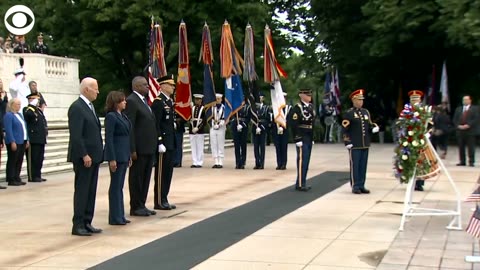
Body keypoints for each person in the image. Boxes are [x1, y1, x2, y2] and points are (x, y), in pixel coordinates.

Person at [67, 77, 103, 236]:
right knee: (82, 190)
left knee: (91, 190)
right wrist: (84, 154)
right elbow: (76, 135)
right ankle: (78, 223)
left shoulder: (89, 106)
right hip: (84, 157)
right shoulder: (77, 107)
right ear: (86, 89)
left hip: (94, 156)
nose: (98, 91)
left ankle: (87, 221)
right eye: (95, 88)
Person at [124, 76, 157, 217]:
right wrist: (132, 149)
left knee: (145, 177)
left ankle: (142, 204)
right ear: (137, 86)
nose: (147, 87)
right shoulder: (131, 101)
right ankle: (136, 206)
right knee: (137, 178)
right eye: (144, 85)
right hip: (139, 148)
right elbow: (130, 127)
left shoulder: (143, 101)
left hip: (148, 147)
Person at [342, 89, 379, 194]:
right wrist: (347, 142)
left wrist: (373, 129)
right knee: (355, 166)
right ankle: (355, 185)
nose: (361, 102)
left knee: (363, 165)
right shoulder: (349, 113)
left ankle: (362, 184)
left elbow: (368, 126)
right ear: (354, 100)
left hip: (364, 144)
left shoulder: (365, 112)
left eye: (362, 100)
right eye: (358, 100)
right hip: (355, 144)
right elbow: (345, 129)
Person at [104, 91, 131, 225]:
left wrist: (129, 155)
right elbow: (109, 138)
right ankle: (115, 216)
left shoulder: (123, 116)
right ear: (116, 102)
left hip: (124, 154)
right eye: (122, 100)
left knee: (119, 186)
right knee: (115, 186)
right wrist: (111, 158)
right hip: (117, 155)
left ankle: (120, 214)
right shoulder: (111, 117)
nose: (125, 102)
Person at [151, 75, 177, 210]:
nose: (173, 87)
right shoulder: (158, 102)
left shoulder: (169, 102)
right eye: (170, 85)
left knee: (168, 173)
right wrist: (159, 141)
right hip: (163, 144)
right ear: (163, 86)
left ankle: (164, 198)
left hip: (170, 142)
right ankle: (159, 201)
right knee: (161, 174)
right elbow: (156, 124)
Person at [289, 89, 315, 191]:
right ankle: (300, 183)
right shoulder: (297, 108)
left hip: (308, 137)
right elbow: (294, 124)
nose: (309, 96)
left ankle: (302, 181)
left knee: (306, 160)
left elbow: (312, 124)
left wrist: (312, 138)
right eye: (307, 95)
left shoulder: (311, 107)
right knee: (302, 161)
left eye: (310, 94)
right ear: (301, 95)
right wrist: (297, 138)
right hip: (302, 136)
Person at [23, 93, 47, 182]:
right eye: (35, 99)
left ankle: (38, 175)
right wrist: (31, 105)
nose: (37, 101)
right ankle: (32, 176)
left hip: (40, 138)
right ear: (30, 99)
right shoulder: (27, 109)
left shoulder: (38, 110)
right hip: (33, 139)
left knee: (39, 159)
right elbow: (29, 115)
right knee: (33, 158)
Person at [4, 98, 27, 186]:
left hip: (22, 140)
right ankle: (11, 178)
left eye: (20, 104)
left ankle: (17, 176)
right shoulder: (9, 115)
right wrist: (12, 141)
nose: (19, 106)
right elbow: (9, 130)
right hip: (14, 141)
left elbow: (24, 128)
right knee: (13, 160)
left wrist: (27, 139)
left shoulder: (20, 115)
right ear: (12, 105)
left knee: (19, 159)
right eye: (17, 104)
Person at [453, 95, 479, 167]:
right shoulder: (458, 109)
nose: (465, 101)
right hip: (460, 131)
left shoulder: (475, 109)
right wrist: (458, 125)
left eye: (466, 100)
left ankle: (471, 161)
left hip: (470, 131)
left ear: (470, 100)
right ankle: (462, 161)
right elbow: (455, 119)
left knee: (471, 147)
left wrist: (468, 125)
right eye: (464, 100)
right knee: (461, 147)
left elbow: (476, 119)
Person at [273, 92, 291, 170]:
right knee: (278, 147)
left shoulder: (288, 108)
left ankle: (284, 163)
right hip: (277, 130)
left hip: (285, 130)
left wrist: (284, 126)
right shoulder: (276, 109)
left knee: (283, 147)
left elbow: (290, 120)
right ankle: (279, 163)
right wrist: (277, 127)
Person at [231, 101, 250, 169]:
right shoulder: (235, 107)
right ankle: (237, 162)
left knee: (243, 145)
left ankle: (243, 162)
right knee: (237, 145)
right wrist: (235, 122)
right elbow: (231, 116)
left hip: (244, 127)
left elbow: (248, 118)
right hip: (236, 126)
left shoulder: (247, 108)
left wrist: (243, 124)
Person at [189, 94, 206, 168]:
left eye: (198, 99)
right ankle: (194, 161)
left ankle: (199, 162)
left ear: (201, 100)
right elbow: (189, 118)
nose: (197, 101)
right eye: (196, 99)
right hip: (192, 130)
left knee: (199, 147)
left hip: (200, 130)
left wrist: (198, 128)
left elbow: (204, 120)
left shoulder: (203, 109)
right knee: (193, 147)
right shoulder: (192, 108)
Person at [252, 100, 270, 169]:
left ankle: (262, 163)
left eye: (261, 97)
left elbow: (268, 119)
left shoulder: (266, 108)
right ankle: (257, 163)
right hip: (255, 128)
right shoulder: (254, 108)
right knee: (256, 147)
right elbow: (252, 118)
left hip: (263, 129)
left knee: (262, 147)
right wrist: (256, 127)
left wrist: (262, 127)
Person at [210, 93, 226, 168]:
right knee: (214, 144)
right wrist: (213, 125)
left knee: (220, 144)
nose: (217, 100)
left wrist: (219, 125)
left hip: (221, 128)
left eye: (219, 99)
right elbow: (210, 117)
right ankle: (216, 160)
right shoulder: (212, 107)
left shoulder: (224, 108)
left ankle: (220, 161)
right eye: (216, 99)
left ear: (221, 99)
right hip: (213, 127)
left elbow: (225, 118)